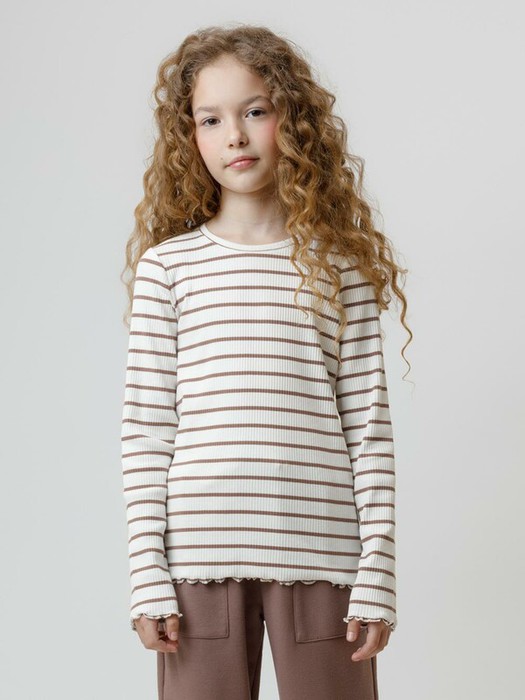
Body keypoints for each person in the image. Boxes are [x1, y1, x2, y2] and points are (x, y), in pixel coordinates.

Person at [120, 23, 411, 700]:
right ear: (189, 137)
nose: (235, 136)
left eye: (254, 111)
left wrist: (376, 574)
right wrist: (147, 574)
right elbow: (146, 431)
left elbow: (368, 434)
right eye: (210, 119)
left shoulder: (341, 270)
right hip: (196, 560)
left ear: (293, 121)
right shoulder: (167, 269)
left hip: (323, 556)